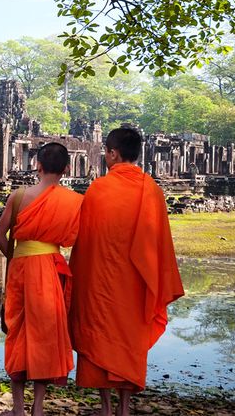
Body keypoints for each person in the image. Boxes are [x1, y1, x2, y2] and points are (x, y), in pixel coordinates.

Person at [69, 127, 185, 416]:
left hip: (101, 283)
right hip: (136, 285)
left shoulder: (99, 189)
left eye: (106, 152)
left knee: (99, 338)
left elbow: (85, 243)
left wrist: (78, 279)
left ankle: (106, 406)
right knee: (129, 341)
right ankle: (123, 407)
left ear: (112, 153)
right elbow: (159, 244)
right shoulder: (152, 190)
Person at [0, 142, 83, 416]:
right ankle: (38, 408)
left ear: (38, 165)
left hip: (21, 268)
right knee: (46, 334)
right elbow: (75, 239)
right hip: (50, 268)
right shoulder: (74, 201)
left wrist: (17, 256)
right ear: (67, 169)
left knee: (18, 331)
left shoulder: (19, 196)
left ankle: (18, 408)